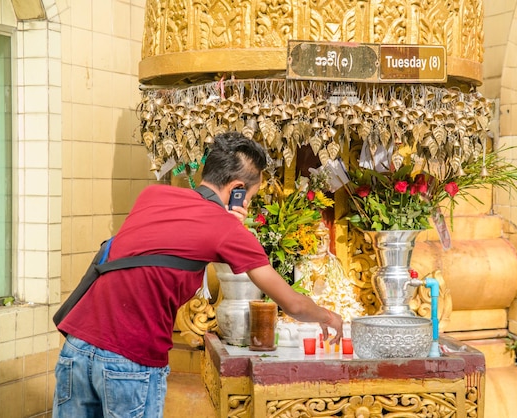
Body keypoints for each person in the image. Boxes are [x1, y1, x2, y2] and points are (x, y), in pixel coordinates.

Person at [52, 131, 344, 417]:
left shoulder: (152, 194)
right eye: (251, 197)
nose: (248, 204)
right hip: (130, 359)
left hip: (77, 345)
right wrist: (328, 317)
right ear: (237, 189)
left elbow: (171, 243)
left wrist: (224, 223)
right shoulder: (227, 229)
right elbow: (293, 304)